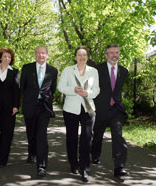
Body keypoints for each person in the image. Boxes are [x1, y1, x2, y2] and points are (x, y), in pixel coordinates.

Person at [57, 46, 100, 182]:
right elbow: (61, 87)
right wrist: (73, 90)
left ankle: (84, 169)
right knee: (72, 137)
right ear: (75, 57)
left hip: (88, 109)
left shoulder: (93, 71)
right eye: (79, 55)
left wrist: (88, 93)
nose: (82, 57)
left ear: (87, 57)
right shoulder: (68, 70)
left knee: (87, 138)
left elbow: (97, 89)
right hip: (71, 109)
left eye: (84, 55)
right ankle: (73, 164)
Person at [91, 44, 130, 178]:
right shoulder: (97, 70)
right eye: (112, 53)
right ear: (106, 55)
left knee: (118, 137)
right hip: (100, 109)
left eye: (117, 53)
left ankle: (119, 167)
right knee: (97, 136)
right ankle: (94, 155)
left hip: (116, 110)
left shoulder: (124, 71)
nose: (115, 55)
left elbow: (117, 91)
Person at [20, 45, 58, 178]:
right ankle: (31, 153)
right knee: (31, 133)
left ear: (47, 55)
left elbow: (52, 89)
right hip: (30, 106)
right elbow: (22, 87)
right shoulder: (27, 68)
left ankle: (41, 166)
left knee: (41, 136)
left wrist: (44, 98)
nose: (41, 55)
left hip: (44, 107)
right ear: (35, 55)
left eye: (43, 53)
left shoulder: (53, 70)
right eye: (38, 53)